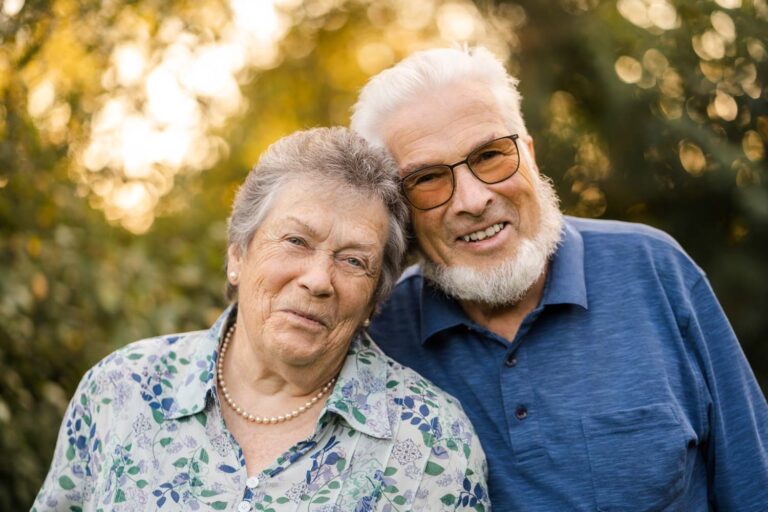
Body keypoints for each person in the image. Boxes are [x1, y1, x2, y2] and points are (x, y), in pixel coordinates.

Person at [351, 46, 768, 511]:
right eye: (427, 178)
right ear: (398, 209)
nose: (471, 200)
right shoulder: (381, 338)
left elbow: (754, 486)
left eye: (489, 155)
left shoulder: (656, 270)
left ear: (529, 153)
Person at [33, 127, 490, 511]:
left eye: (353, 261)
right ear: (238, 253)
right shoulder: (119, 389)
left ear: (374, 298)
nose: (317, 280)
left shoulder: (432, 439)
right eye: (295, 240)